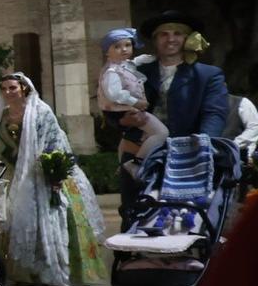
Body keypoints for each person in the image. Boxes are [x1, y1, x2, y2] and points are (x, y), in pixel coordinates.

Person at [0, 73, 107, 286]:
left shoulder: (41, 112)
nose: (8, 93)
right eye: (4, 89)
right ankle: (16, 270)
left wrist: (54, 172)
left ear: (24, 89)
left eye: (12, 88)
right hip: (11, 173)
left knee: (44, 219)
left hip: (38, 174)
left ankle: (44, 270)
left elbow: (55, 143)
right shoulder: (0, 116)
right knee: (5, 215)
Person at [138, 10, 230, 139]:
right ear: (155, 40)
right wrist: (121, 120)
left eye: (177, 34)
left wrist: (204, 144)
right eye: (164, 34)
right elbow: (117, 108)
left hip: (189, 149)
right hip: (142, 148)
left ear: (188, 39)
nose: (170, 39)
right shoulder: (139, 73)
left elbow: (214, 114)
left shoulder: (208, 76)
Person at [97, 28, 168, 176]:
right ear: (107, 52)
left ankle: (122, 164)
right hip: (123, 110)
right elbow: (114, 93)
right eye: (117, 46)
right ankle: (136, 163)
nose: (123, 49)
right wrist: (135, 102)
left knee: (132, 137)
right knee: (161, 133)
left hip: (124, 109)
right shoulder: (111, 72)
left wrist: (145, 59)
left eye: (127, 45)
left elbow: (131, 64)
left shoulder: (124, 65)